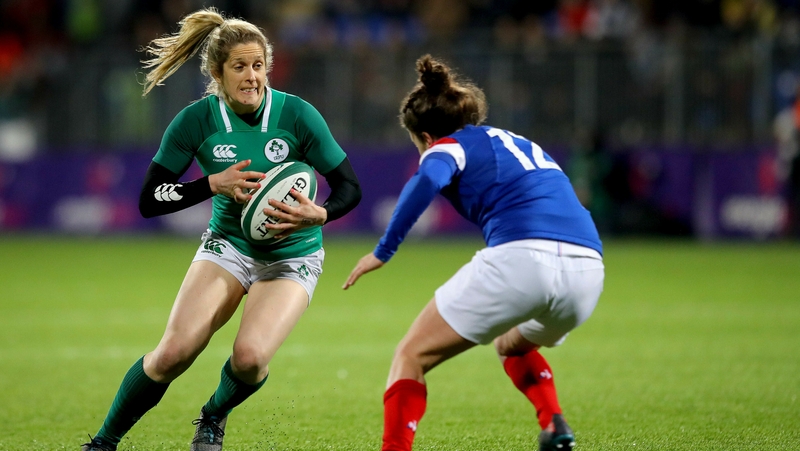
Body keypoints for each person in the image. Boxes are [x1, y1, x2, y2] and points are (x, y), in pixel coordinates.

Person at [81, 8, 361, 451]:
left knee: (249, 359)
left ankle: (213, 415)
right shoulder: (196, 121)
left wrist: (321, 214)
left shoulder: (298, 115)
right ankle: (103, 442)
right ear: (216, 71)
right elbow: (149, 199)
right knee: (172, 354)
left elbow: (349, 187)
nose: (252, 77)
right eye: (240, 67)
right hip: (227, 247)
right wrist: (210, 184)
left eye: (258, 66)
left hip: (293, 254)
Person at [343, 55, 604, 451]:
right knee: (512, 344)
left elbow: (427, 178)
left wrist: (384, 250)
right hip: (588, 270)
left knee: (411, 355)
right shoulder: (517, 141)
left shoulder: (447, 147)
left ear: (426, 136)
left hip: (523, 258)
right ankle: (553, 424)